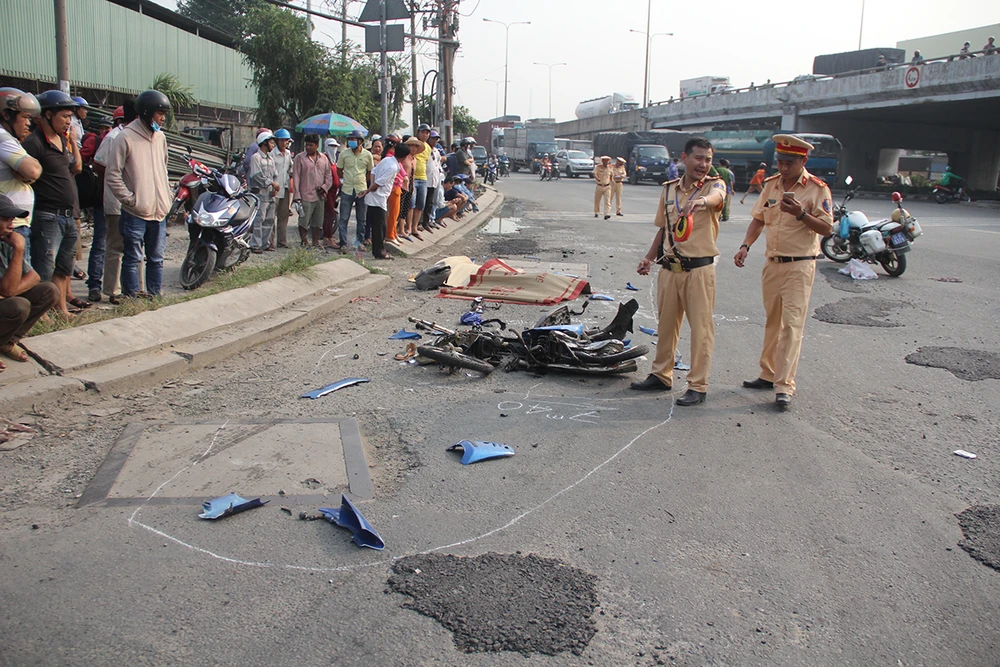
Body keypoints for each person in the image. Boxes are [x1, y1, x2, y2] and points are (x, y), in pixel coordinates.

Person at [734, 134, 833, 408]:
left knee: (791, 326)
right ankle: (768, 373)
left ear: (804, 160)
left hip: (800, 265)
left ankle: (784, 385)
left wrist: (801, 214)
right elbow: (758, 219)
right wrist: (745, 245)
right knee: (772, 321)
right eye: (780, 161)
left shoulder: (817, 189)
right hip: (773, 264)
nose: (784, 167)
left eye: (790, 162)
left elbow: (827, 229)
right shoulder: (771, 185)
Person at [632, 137, 726, 406]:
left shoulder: (713, 185)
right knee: (666, 325)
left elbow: (718, 196)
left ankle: (698, 385)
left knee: (701, 329)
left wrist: (701, 202)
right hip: (669, 269)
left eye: (708, 159)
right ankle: (661, 374)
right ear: (684, 158)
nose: (704, 164)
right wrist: (649, 258)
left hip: (699, 270)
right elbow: (664, 229)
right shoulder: (669, 190)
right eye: (698, 158)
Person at [105, 90, 173, 298]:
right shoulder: (125, 137)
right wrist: (130, 199)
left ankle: (154, 296)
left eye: (164, 114)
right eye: (159, 113)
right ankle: (132, 297)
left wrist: (167, 196)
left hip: (159, 211)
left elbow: (164, 168)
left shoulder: (160, 137)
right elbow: (112, 174)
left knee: (156, 258)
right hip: (135, 212)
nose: (162, 118)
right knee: (133, 258)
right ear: (146, 113)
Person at [21, 90, 83, 316]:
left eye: (70, 117)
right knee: (44, 268)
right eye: (65, 116)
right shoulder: (34, 143)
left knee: (63, 267)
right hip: (48, 215)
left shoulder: (61, 140)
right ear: (47, 115)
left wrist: (72, 141)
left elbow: (76, 168)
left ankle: (60, 309)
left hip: (68, 215)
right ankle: (40, 314)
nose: (69, 121)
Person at [0, 194, 58, 370]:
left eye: (12, 220)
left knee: (49, 290)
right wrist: (19, 250)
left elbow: (34, 277)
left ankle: (7, 341)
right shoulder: (13, 244)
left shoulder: (4, 242)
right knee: (19, 305)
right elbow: (8, 291)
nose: (12, 226)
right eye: (6, 220)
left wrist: (8, 293)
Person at [93, 103, 138, 303]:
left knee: (135, 246)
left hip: (137, 203)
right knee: (116, 246)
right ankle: (113, 291)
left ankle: (135, 288)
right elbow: (99, 164)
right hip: (117, 203)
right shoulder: (113, 138)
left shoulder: (141, 137)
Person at [0, 88, 42, 264]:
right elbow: (33, 170)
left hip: (14, 224)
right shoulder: (2, 137)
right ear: (6, 115)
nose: (28, 124)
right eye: (24, 117)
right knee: (18, 284)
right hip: (11, 226)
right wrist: (32, 169)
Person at [366, 141, 412, 260]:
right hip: (379, 197)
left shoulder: (387, 160)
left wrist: (370, 187)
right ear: (406, 156)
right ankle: (379, 252)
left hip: (377, 196)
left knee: (379, 225)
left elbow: (374, 172)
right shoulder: (393, 167)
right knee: (380, 226)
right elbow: (380, 181)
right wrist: (369, 189)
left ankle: (378, 250)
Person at [83, 116, 113, 301]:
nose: (105, 131)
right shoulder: (98, 141)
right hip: (103, 199)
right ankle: (94, 283)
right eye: (103, 128)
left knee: (119, 247)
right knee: (100, 243)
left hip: (122, 203)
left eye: (107, 127)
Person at [292, 134, 333, 248]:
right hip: (305, 195)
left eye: (311, 145)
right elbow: (296, 177)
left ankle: (316, 241)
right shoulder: (299, 158)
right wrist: (297, 195)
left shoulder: (323, 159)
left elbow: (329, 176)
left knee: (318, 220)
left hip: (319, 196)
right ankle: (304, 241)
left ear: (316, 146)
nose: (308, 147)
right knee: (304, 220)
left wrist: (324, 188)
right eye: (306, 145)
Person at [336, 130, 373, 250]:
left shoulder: (367, 155)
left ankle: (359, 242)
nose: (351, 142)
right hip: (347, 189)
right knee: (344, 218)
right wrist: (347, 178)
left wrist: (362, 181)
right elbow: (339, 171)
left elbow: (369, 172)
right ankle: (343, 243)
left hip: (361, 190)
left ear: (360, 141)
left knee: (361, 219)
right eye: (350, 140)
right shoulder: (344, 154)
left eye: (354, 140)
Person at [247, 130, 278, 253]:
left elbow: (275, 175)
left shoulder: (271, 159)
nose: (273, 145)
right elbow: (256, 175)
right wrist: (271, 183)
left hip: (270, 194)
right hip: (260, 194)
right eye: (271, 142)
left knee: (269, 220)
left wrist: (275, 187)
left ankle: (265, 243)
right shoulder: (256, 158)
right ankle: (256, 245)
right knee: (259, 220)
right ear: (264, 143)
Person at [271, 128, 294, 248]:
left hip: (284, 187)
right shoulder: (272, 154)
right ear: (277, 141)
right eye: (282, 140)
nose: (284, 143)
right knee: (271, 216)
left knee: (283, 216)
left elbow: (291, 167)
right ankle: (270, 242)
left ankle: (282, 241)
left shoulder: (288, 154)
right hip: (274, 188)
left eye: (286, 141)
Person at [409, 124, 432, 235]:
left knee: (420, 205)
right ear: (418, 132)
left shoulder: (427, 147)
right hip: (412, 178)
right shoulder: (412, 144)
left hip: (423, 178)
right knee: (411, 205)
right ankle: (408, 228)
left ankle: (415, 227)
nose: (425, 134)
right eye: (423, 132)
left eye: (427, 133)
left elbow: (426, 161)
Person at [421, 130, 444, 231]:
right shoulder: (423, 148)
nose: (435, 141)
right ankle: (422, 222)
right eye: (433, 138)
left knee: (432, 201)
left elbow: (438, 162)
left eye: (436, 139)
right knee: (422, 202)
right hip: (425, 178)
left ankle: (430, 220)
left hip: (435, 178)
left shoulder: (436, 151)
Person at [593, 155, 614, 219]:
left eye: (607, 161)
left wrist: (612, 182)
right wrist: (597, 178)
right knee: (597, 200)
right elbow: (594, 173)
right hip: (599, 186)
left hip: (607, 186)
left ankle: (607, 213)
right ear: (602, 161)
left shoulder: (610, 168)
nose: (606, 163)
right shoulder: (598, 167)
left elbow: (611, 176)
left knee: (607, 201)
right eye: (604, 161)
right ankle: (596, 212)